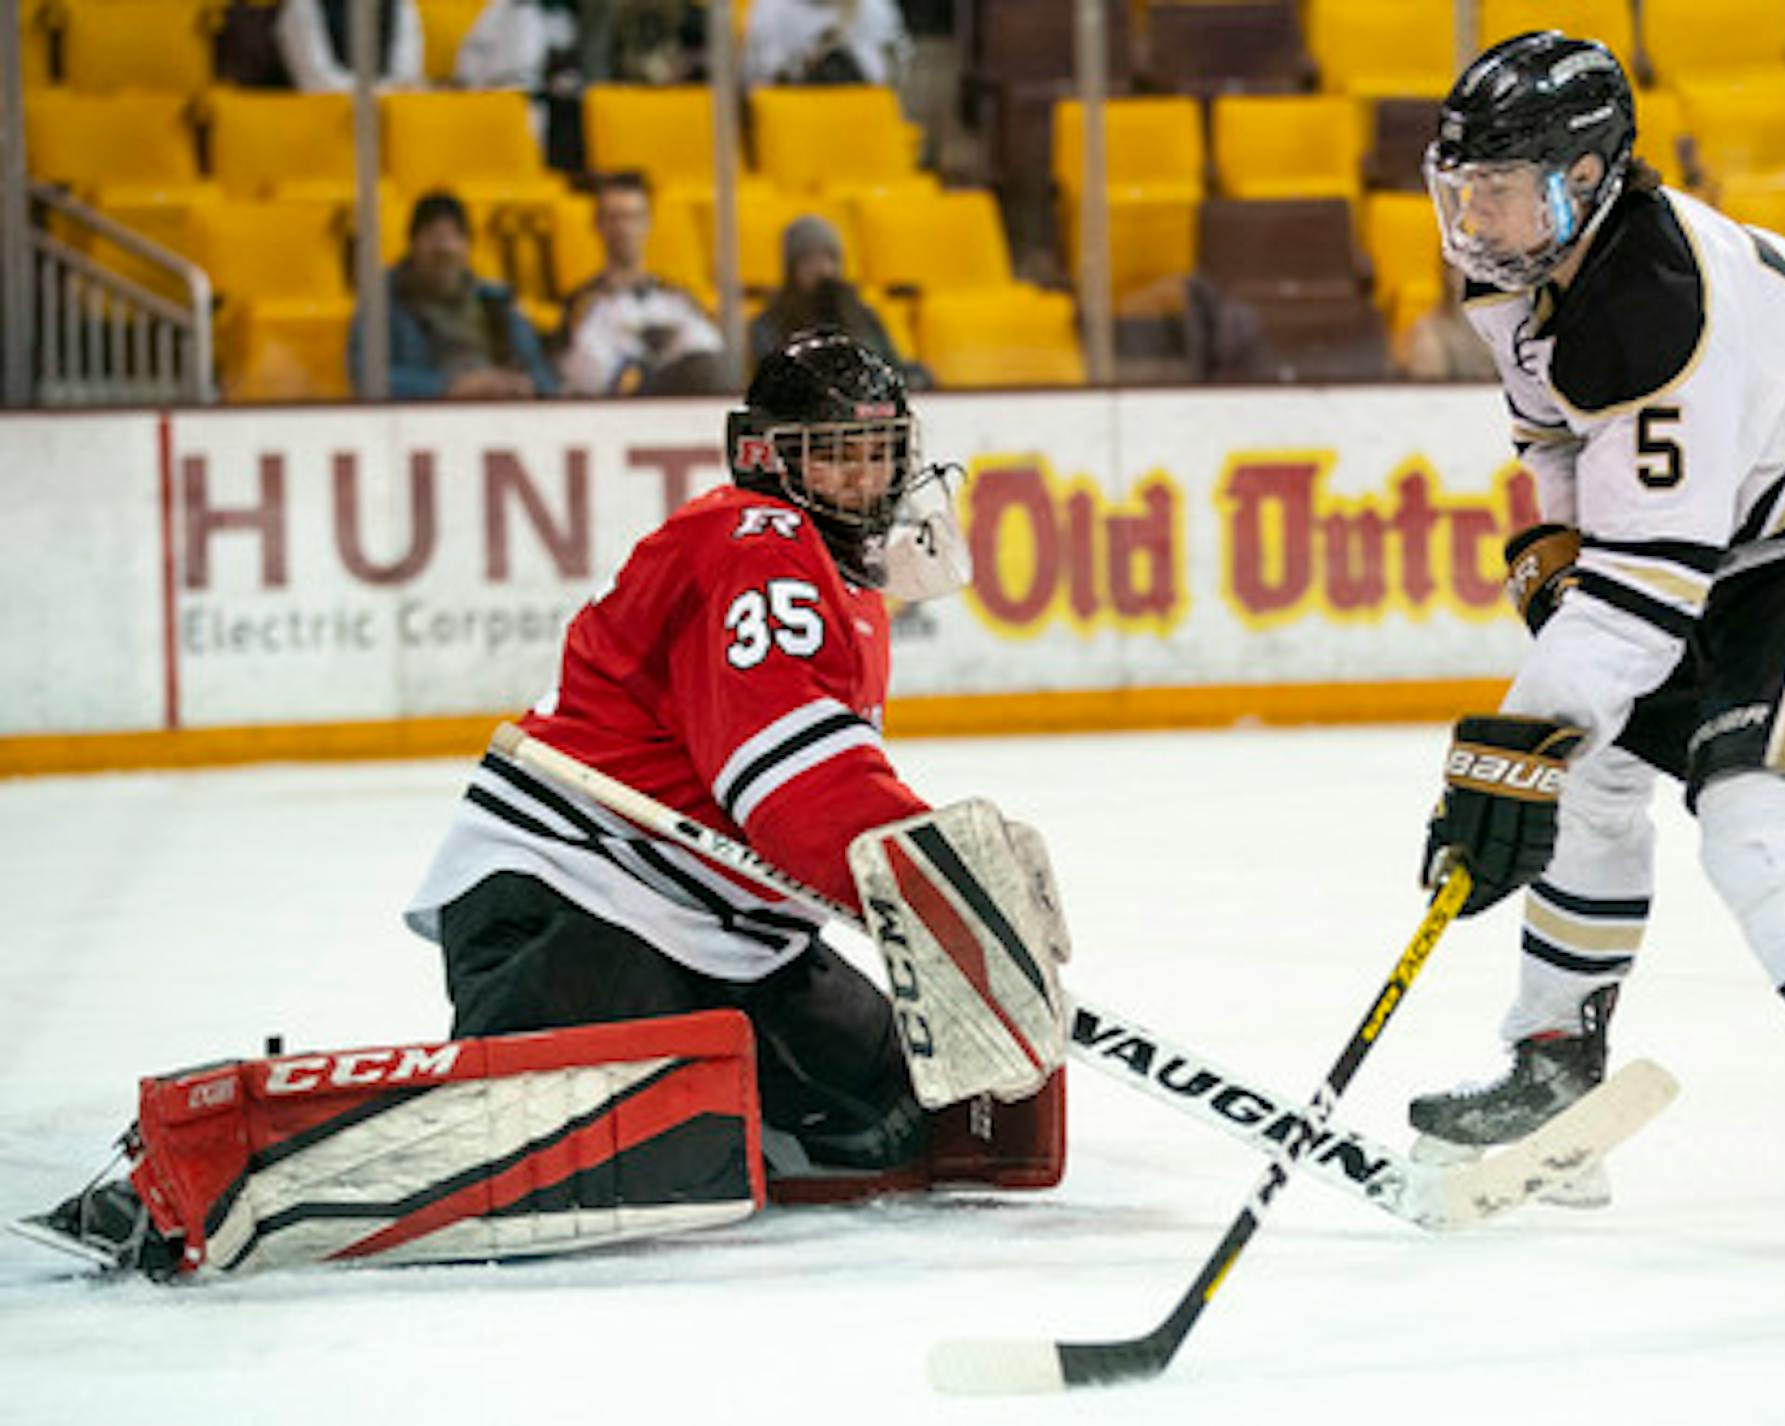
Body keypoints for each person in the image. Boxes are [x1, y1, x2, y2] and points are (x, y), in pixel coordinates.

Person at [15, 334, 1061, 1280]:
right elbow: (792, 785)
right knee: (611, 1126)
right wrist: (926, 883)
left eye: (878, 451)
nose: (866, 478)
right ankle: (210, 1169)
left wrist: (935, 900)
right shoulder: (757, 542)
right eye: (836, 451)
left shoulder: (843, 585)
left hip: (718, 931)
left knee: (883, 1121)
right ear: (765, 458)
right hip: (571, 902)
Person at [1404, 31, 1785, 1305]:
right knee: (1593, 759)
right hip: (1731, 537)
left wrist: (1515, 743)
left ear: (1590, 175)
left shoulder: (1651, 304)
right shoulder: (1530, 266)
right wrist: (1557, 555)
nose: (1474, 217)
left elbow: (1642, 592)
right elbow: (1562, 451)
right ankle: (1555, 1060)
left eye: (1502, 187)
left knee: (1759, 814)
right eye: (1461, 187)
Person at [351, 190, 559, 400]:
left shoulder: (496, 301)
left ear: (468, 246)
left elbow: (543, 375)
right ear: (412, 244)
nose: (445, 248)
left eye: (454, 236)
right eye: (433, 236)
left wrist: (522, 384)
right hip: (422, 422)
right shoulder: (384, 302)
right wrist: (449, 387)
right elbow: (367, 377)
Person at [555, 172, 727, 396]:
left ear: (648, 222)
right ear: (598, 224)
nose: (624, 228)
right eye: (615, 217)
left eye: (634, 217)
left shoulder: (677, 298)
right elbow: (588, 374)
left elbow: (708, 353)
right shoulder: (583, 305)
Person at [749, 214, 918, 384]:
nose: (823, 269)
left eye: (829, 258)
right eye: (809, 260)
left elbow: (891, 367)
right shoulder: (769, 324)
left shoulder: (863, 317)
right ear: (792, 269)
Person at [742, 0, 911, 88]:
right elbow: (757, 76)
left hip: (861, 124)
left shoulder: (875, 7)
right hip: (794, 124)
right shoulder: (772, 8)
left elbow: (894, 73)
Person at [274, 0, 425, 92]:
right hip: (318, 122)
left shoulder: (399, 4)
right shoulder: (303, 4)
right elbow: (316, 83)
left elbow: (406, 76)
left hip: (389, 119)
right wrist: (381, 92)